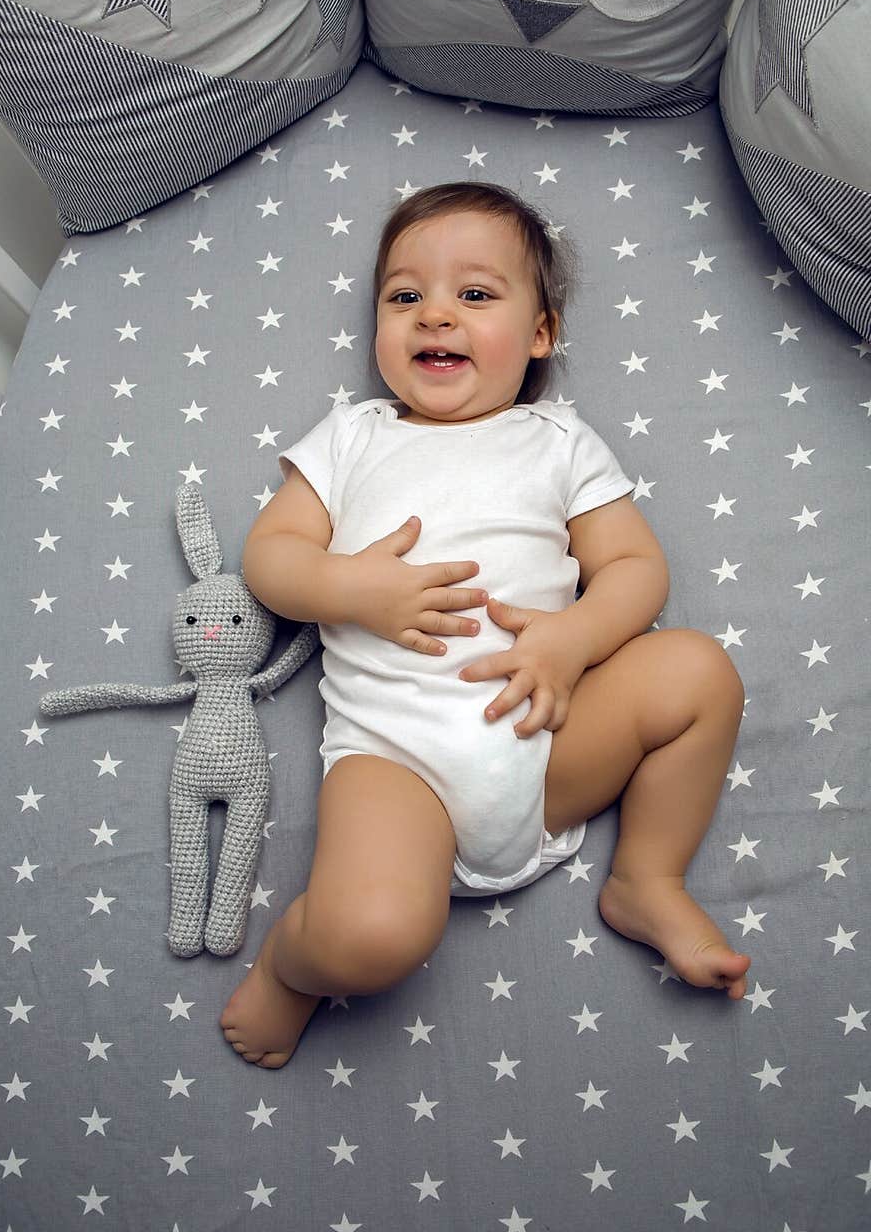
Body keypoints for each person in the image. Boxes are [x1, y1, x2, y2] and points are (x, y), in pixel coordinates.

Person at [220, 181, 750, 1068]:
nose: (435, 315)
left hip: (551, 741)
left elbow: (634, 568)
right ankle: (290, 966)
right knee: (372, 935)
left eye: (474, 295)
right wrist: (353, 590)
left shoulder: (561, 442)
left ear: (540, 336)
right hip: (401, 761)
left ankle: (646, 878)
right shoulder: (354, 436)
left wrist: (572, 641)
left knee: (699, 672)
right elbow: (270, 557)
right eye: (405, 296)